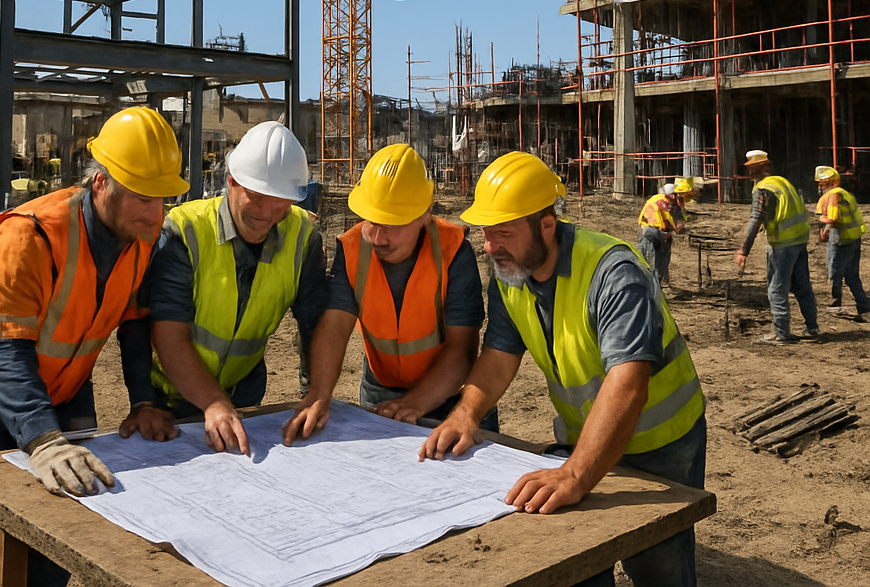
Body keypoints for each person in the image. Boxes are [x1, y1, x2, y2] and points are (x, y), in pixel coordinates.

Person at [419, 152, 706, 587]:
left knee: (656, 559)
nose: (491, 247)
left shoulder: (613, 272)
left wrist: (575, 473)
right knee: (581, 555)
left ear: (546, 227)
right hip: (582, 435)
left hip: (661, 442)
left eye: (504, 233)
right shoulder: (510, 271)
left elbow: (628, 384)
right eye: (486, 233)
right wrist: (466, 412)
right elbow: (499, 351)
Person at [0, 106, 187, 587]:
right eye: (142, 197)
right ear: (101, 183)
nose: (156, 214)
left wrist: (144, 401)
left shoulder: (141, 238)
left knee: (66, 534)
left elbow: (134, 326)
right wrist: (42, 440)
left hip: (66, 392)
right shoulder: (30, 234)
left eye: (164, 199)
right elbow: (4, 350)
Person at [283, 143, 487, 444]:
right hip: (380, 390)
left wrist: (415, 403)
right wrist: (318, 394)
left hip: (450, 397)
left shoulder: (453, 250)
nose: (378, 237)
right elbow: (335, 326)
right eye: (372, 221)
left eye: (392, 225)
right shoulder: (351, 248)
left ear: (424, 215)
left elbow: (462, 349)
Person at [146, 120, 326, 456]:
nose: (266, 213)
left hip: (243, 394)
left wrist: (314, 392)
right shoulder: (184, 231)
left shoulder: (302, 236)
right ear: (231, 182)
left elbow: (315, 323)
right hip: (169, 398)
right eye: (256, 197)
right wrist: (213, 402)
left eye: (280, 202)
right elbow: (167, 332)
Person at [734, 149, 819, 343]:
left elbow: (756, 219)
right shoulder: (782, 181)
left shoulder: (763, 189)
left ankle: (781, 333)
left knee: (776, 288)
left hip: (782, 243)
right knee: (802, 285)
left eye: (750, 168)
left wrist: (743, 250)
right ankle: (812, 328)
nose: (749, 172)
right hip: (799, 238)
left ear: (755, 169)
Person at [814, 165, 869, 321]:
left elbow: (832, 218)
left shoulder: (833, 195)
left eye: (821, 183)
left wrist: (824, 228)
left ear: (831, 182)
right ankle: (864, 306)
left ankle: (835, 305)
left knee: (835, 274)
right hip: (854, 238)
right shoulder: (846, 194)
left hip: (840, 239)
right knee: (852, 276)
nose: (820, 186)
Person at [636, 179, 689, 286]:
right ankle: (653, 287)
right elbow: (675, 225)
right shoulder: (663, 203)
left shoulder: (661, 200)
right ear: (672, 195)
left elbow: (680, 219)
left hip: (649, 232)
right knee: (653, 264)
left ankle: (652, 284)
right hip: (653, 233)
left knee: (649, 262)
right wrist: (677, 227)